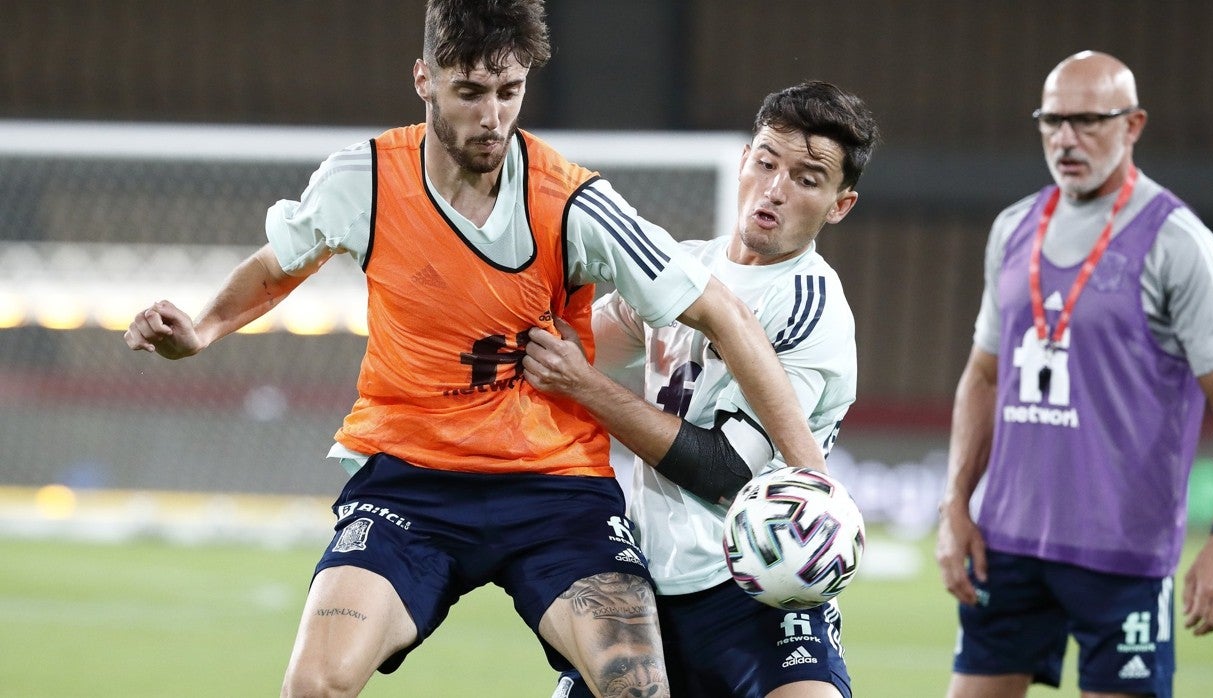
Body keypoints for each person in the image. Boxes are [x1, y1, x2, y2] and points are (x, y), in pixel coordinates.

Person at [122, 1, 829, 696]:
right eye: (470, 92)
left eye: (508, 91)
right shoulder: (363, 181)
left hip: (555, 489)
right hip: (411, 483)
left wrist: (812, 479)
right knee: (314, 684)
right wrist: (204, 329)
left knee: (638, 688)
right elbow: (277, 266)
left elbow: (725, 316)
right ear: (424, 79)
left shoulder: (574, 203)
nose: (492, 117)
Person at [523, 80, 880, 698]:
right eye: (767, 162)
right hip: (642, 581)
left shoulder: (810, 306)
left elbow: (725, 469)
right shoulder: (681, 270)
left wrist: (583, 386)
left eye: (807, 177)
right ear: (744, 161)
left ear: (839, 205)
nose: (774, 188)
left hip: (751, 590)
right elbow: (579, 348)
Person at [935, 50, 1213, 698]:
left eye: (1087, 122)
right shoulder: (1014, 227)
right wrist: (955, 506)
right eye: (1052, 122)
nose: (1065, 139)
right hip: (1008, 545)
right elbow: (983, 378)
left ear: (1133, 125)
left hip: (1122, 558)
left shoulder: (1178, 242)